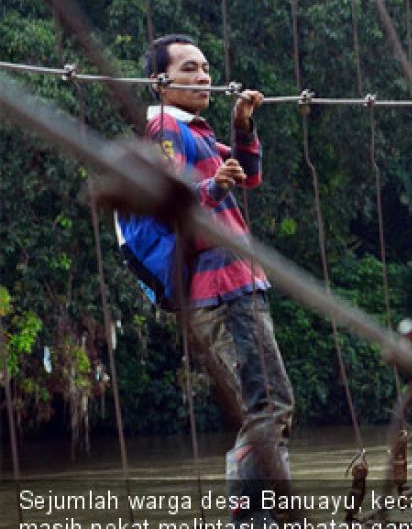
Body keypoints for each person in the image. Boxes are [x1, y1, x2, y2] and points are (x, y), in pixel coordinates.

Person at [143, 34, 293, 524]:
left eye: (205, 67)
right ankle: (254, 517)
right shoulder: (165, 128)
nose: (204, 76)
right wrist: (210, 186)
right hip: (220, 288)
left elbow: (248, 175)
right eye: (189, 69)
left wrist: (242, 124)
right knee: (269, 405)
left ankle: (267, 512)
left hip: (238, 282)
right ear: (158, 83)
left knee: (267, 406)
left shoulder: (199, 131)